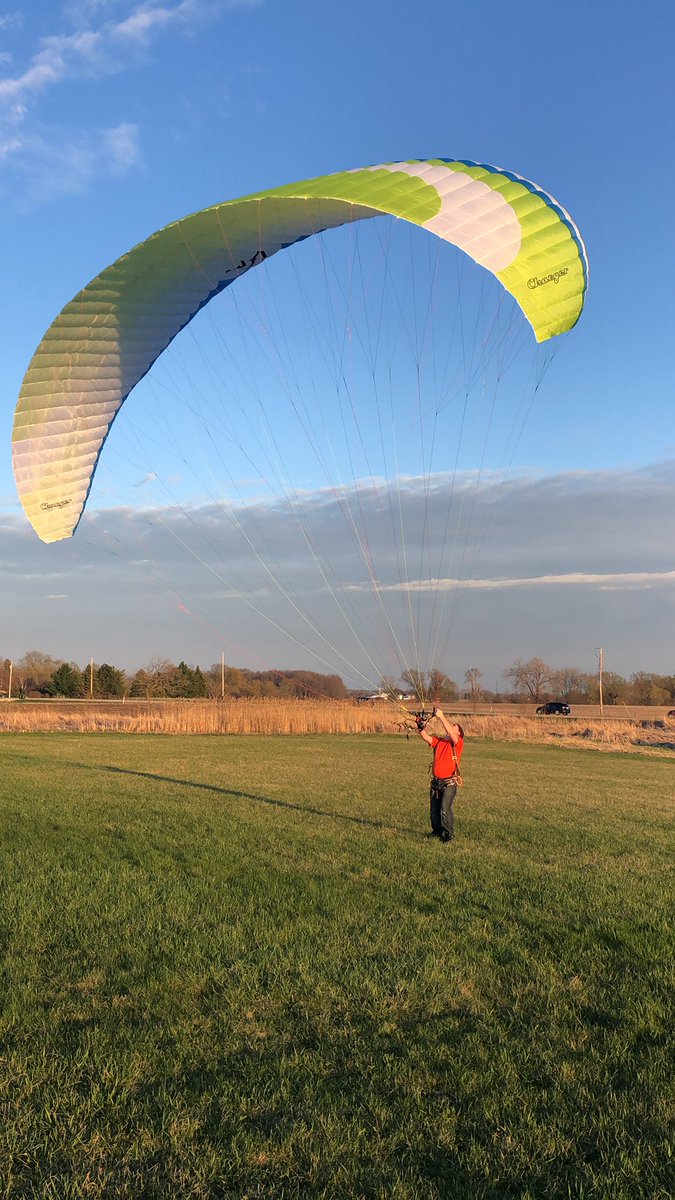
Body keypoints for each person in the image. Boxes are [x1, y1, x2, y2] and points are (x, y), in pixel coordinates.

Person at [416, 708, 464, 842]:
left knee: (444, 809)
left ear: (458, 733)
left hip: (449, 783)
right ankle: (436, 832)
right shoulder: (440, 741)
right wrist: (420, 726)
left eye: (454, 726)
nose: (451, 726)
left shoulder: (457, 743)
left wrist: (441, 717)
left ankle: (448, 835)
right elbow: (425, 736)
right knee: (434, 811)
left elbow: (450, 732)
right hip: (436, 782)